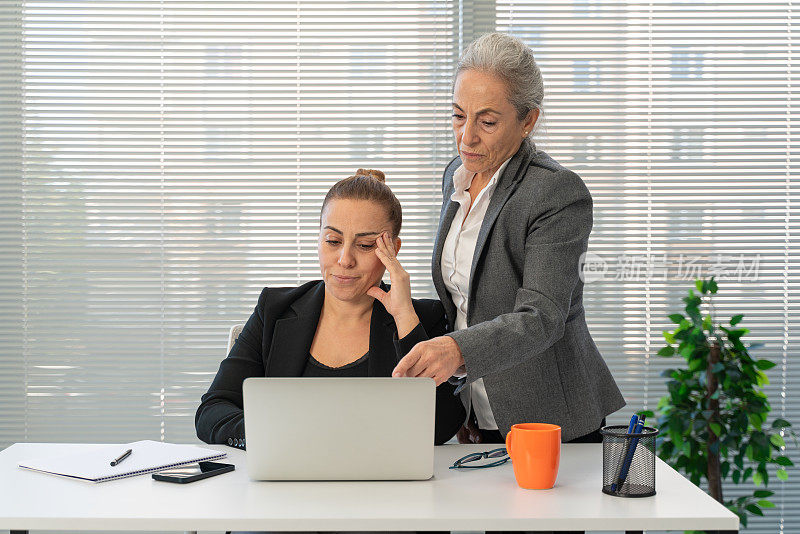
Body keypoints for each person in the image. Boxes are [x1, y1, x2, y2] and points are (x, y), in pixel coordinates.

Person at [392, 32, 626, 447]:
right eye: (458, 115)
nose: (467, 137)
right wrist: (467, 401)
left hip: (551, 420)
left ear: (527, 120)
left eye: (487, 121)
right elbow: (466, 298)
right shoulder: (457, 173)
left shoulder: (556, 192)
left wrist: (455, 351)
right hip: (481, 413)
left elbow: (542, 316)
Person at [196, 169, 465, 448]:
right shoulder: (274, 311)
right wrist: (277, 434)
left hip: (381, 487)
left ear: (392, 250)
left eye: (365, 245)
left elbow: (440, 426)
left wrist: (404, 317)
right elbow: (212, 411)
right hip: (287, 482)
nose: (345, 259)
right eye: (333, 241)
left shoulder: (425, 319)